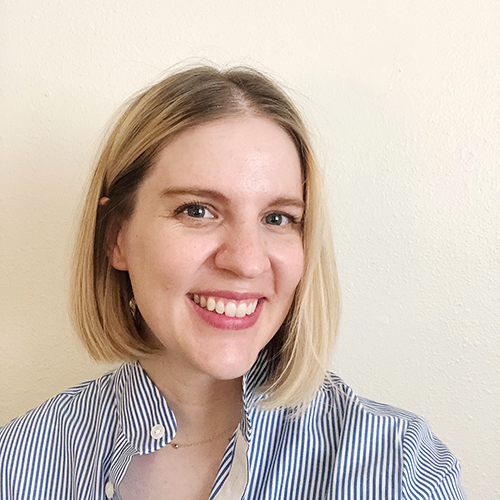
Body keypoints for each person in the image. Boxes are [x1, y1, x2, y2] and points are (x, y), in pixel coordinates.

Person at [0, 65, 466, 499]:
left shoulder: (399, 465)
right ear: (116, 237)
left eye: (278, 218)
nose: (246, 262)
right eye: (197, 210)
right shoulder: (18, 461)